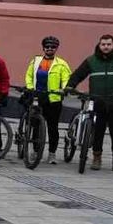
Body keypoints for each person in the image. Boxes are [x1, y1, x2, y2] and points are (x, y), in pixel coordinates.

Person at [66, 34, 113, 171]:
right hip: (97, 102)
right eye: (103, 44)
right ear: (99, 45)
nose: (106, 47)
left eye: (108, 44)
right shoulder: (91, 61)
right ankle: (96, 158)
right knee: (97, 131)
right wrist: (70, 85)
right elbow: (78, 74)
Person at [23, 36, 72, 164]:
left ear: (56, 48)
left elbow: (66, 79)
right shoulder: (35, 61)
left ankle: (52, 154)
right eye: (47, 46)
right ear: (43, 48)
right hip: (37, 97)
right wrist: (30, 87)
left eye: (53, 47)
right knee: (36, 126)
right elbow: (29, 75)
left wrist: (63, 89)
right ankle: (35, 151)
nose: (50, 49)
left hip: (53, 99)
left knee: (53, 127)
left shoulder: (61, 63)